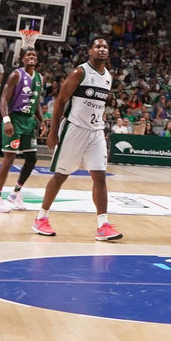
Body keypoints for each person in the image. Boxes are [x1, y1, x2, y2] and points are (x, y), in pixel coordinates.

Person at [33, 37, 121, 242]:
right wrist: (53, 131)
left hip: (96, 131)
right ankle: (41, 218)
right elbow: (61, 101)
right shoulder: (79, 72)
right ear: (90, 51)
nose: (102, 49)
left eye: (105, 47)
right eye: (98, 46)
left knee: (100, 176)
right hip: (73, 129)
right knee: (61, 175)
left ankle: (103, 225)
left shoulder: (108, 76)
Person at [0, 47, 45, 212]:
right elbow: (3, 99)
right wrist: (6, 119)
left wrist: (42, 121)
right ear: (22, 59)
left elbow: (36, 104)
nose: (31, 57)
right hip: (14, 119)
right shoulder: (16, 75)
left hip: (29, 121)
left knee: (32, 159)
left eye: (34, 55)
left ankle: (15, 193)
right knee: (9, 159)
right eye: (28, 55)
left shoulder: (40, 78)